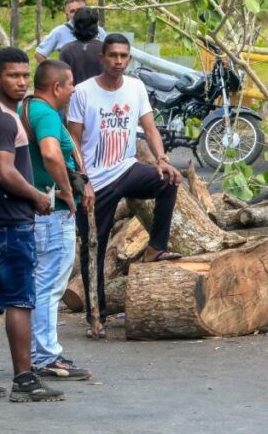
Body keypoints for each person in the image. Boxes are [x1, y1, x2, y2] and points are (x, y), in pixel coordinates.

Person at [68, 34, 184, 338]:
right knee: (94, 247)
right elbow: (73, 139)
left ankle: (155, 249)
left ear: (129, 59)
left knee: (168, 181)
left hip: (126, 168)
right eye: (113, 56)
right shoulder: (82, 92)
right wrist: (82, 180)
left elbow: (149, 126)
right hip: (96, 181)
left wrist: (161, 158)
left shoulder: (135, 88)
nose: (118, 61)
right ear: (102, 58)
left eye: (124, 56)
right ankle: (97, 315)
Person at [0, 48, 62, 402]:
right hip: (10, 224)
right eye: (13, 75)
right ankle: (25, 379)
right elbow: (5, 172)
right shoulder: (5, 120)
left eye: (25, 75)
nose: (21, 81)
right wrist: (37, 196)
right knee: (21, 301)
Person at [19, 60, 94, 381]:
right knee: (49, 285)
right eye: (70, 85)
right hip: (53, 212)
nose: (73, 91)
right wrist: (66, 190)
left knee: (41, 283)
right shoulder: (46, 114)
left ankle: (41, 352)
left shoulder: (29, 108)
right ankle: (45, 355)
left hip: (39, 211)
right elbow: (51, 153)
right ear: (56, 87)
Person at [34, 0, 107, 62]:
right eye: (72, 11)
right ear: (67, 15)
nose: (76, 14)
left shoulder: (99, 31)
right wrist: (55, 71)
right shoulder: (59, 32)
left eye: (79, 9)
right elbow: (39, 54)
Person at [59, 6, 104, 85]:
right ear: (95, 25)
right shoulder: (105, 48)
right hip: (101, 95)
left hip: (73, 95)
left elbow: (62, 80)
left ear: (75, 25)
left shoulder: (66, 49)